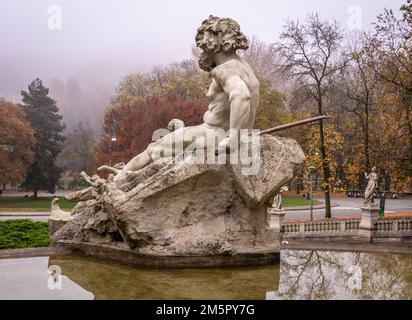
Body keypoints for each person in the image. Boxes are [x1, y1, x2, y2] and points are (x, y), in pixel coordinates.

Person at [108, 16, 260, 183]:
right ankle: (124, 174)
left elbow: (241, 95)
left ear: (214, 40)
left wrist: (233, 138)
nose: (201, 45)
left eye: (203, 39)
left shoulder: (223, 70)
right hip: (228, 133)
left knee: (154, 149)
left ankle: (115, 183)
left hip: (213, 134)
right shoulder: (246, 69)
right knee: (162, 152)